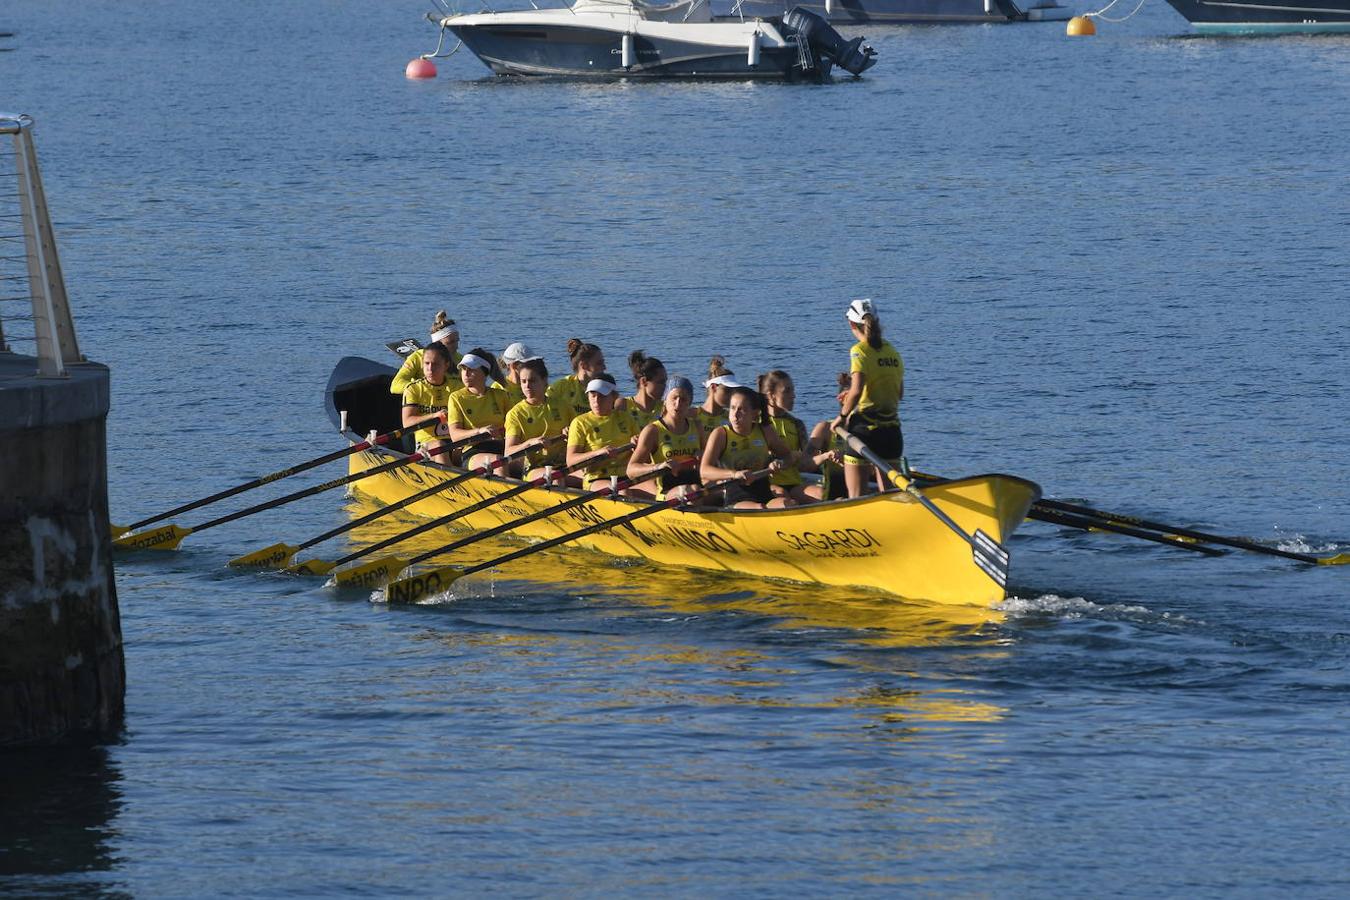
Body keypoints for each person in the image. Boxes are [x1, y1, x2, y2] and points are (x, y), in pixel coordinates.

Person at [832, 298, 904, 498]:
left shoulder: (859, 351)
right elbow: (899, 393)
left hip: (864, 431)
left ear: (851, 324)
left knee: (856, 496)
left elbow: (856, 391)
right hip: (892, 433)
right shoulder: (893, 351)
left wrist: (841, 416)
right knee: (892, 496)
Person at [700, 387, 798, 509]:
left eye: (741, 410)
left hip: (764, 492)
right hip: (736, 497)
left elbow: (788, 456)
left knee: (788, 504)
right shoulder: (721, 434)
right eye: (732, 408)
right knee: (759, 508)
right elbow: (704, 470)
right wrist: (734, 474)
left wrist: (779, 463)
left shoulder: (765, 431)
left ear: (754, 413)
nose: (735, 415)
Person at [759, 370, 831, 504]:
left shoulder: (797, 424)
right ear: (771, 396)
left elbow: (804, 465)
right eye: (787, 391)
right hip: (767, 484)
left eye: (793, 390)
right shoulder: (756, 424)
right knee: (784, 499)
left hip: (794, 483)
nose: (793, 396)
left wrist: (825, 456)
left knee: (823, 495)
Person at [627, 376, 703, 501]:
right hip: (667, 489)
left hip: (695, 484)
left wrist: (703, 454)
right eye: (674, 398)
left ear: (690, 403)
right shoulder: (653, 431)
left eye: (683, 400)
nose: (678, 403)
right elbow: (631, 470)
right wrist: (658, 467)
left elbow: (709, 459)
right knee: (693, 491)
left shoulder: (697, 426)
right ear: (665, 400)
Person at [566, 374, 640, 492]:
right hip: (596, 478)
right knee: (622, 491)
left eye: (602, 396)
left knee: (656, 488)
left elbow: (642, 453)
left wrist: (637, 444)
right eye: (593, 395)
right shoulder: (580, 423)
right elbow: (570, 460)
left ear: (614, 396)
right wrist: (598, 453)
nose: (596, 401)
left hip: (626, 475)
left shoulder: (626, 418)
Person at [445, 348, 512, 472]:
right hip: (472, 451)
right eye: (463, 369)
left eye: (471, 370)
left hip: (501, 447)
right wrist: (480, 431)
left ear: (484, 372)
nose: (465, 374)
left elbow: (514, 428)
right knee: (499, 463)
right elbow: (455, 436)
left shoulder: (501, 396)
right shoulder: (456, 398)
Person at [504, 357, 569, 481]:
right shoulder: (515, 414)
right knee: (555, 477)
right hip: (534, 468)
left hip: (564, 464)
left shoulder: (562, 406)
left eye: (532, 381)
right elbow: (508, 452)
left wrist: (572, 433)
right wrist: (530, 443)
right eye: (523, 381)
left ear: (544, 381)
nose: (527, 386)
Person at [400, 342, 456, 462]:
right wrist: (435, 416)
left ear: (446, 365)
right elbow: (407, 422)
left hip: (456, 439)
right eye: (427, 363)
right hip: (426, 444)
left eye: (435, 364)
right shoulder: (414, 389)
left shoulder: (457, 387)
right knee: (440, 447)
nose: (430, 369)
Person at [390, 310, 463, 395]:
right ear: (437, 344)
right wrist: (424, 388)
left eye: (457, 341)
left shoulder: (461, 361)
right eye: (450, 343)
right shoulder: (417, 357)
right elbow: (395, 385)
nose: (457, 347)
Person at [808, 373, 852, 501]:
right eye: (856, 396)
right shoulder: (825, 429)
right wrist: (826, 456)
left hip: (862, 491)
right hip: (833, 494)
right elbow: (804, 465)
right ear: (842, 399)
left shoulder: (869, 431)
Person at [547, 338, 606, 424]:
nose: (604, 367)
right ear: (584, 365)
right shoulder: (560, 387)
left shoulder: (605, 388)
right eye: (599, 363)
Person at [694, 355, 740, 437]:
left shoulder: (733, 418)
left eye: (734, 391)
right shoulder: (691, 416)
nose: (732, 396)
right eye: (728, 391)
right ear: (713, 387)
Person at [623, 350, 667, 431]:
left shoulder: (665, 408)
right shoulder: (623, 405)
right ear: (644, 381)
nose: (665, 387)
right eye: (661, 382)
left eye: (665, 382)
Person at [496, 341, 539, 406]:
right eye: (528, 363)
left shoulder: (535, 384)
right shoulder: (499, 388)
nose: (532, 367)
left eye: (533, 363)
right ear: (513, 365)